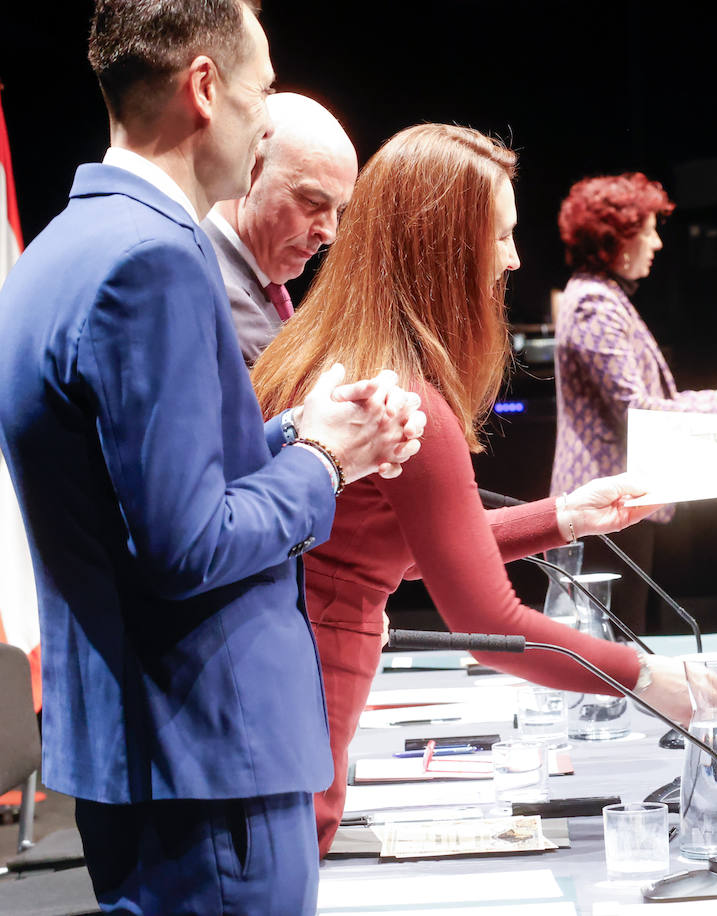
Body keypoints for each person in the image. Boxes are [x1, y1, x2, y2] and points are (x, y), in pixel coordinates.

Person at [0, 1, 424, 912]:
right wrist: (322, 461)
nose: (266, 115)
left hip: (149, 760)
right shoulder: (154, 259)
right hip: (210, 761)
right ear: (203, 87)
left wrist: (294, 432)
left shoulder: (58, 247)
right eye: (262, 88)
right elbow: (186, 546)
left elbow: (147, 493)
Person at [252, 124, 717, 857]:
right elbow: (488, 619)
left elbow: (401, 550)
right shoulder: (407, 399)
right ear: (443, 245)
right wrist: (650, 676)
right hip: (305, 708)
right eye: (499, 236)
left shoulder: (324, 354)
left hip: (261, 693)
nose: (514, 258)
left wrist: (562, 516)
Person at [551, 172, 717, 630]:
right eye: (648, 231)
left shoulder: (602, 297)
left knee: (619, 635)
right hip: (602, 502)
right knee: (608, 639)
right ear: (615, 239)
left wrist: (714, 398)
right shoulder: (594, 303)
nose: (657, 244)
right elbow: (634, 411)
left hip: (614, 502)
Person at [205, 91, 357, 365]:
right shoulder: (209, 285)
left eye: (339, 211)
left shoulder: (252, 280)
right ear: (249, 168)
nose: (329, 233)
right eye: (313, 201)